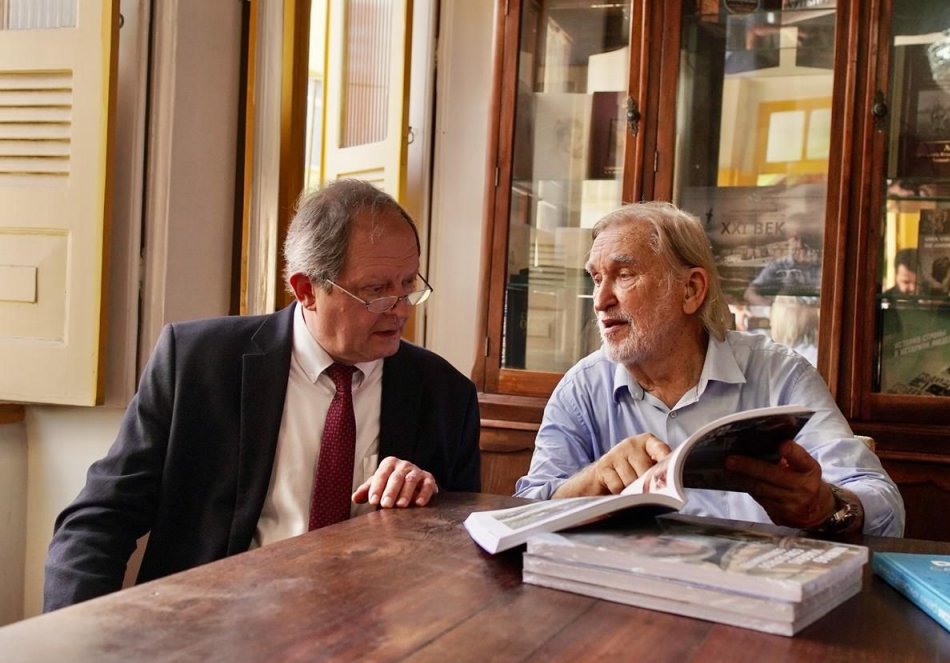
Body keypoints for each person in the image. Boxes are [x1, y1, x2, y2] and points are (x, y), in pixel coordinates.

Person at [44, 179, 481, 610]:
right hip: (210, 630)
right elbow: (100, 520)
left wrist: (431, 504)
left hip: (371, 634)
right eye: (376, 291)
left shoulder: (446, 395)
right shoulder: (197, 363)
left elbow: (466, 553)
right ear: (306, 290)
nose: (401, 309)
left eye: (407, 285)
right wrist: (74, 639)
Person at [515, 201, 905, 537]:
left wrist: (825, 507)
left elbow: (884, 506)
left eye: (625, 275)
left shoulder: (780, 376)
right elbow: (524, 511)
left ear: (691, 290)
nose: (600, 300)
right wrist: (595, 480)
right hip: (626, 590)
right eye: (597, 278)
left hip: (755, 589)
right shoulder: (583, 389)